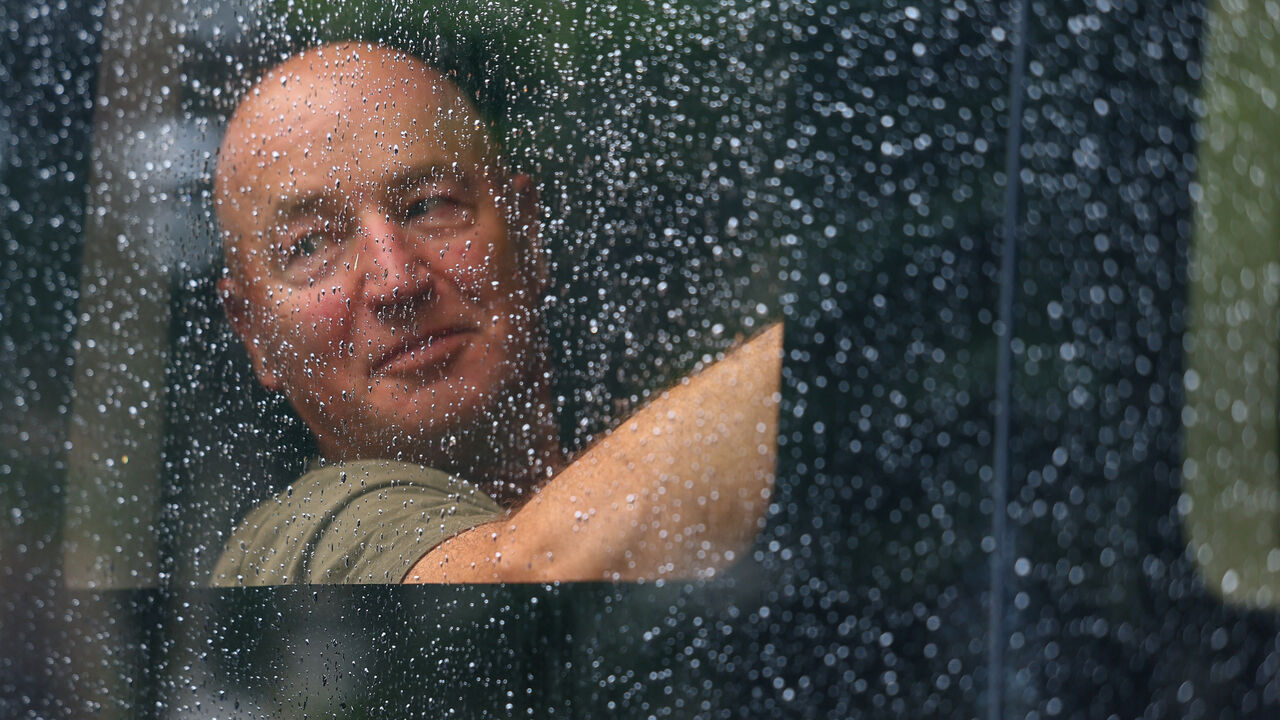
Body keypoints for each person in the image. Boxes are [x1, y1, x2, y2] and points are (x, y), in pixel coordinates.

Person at [211, 41, 781, 585]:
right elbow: (532, 576)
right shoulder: (297, 547)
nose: (396, 279)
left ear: (527, 236)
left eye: (430, 205)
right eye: (311, 246)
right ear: (253, 331)